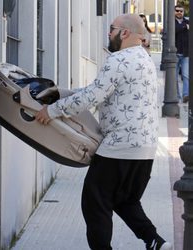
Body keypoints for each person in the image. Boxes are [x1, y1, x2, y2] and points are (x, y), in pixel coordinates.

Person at [36, 14, 172, 250]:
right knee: (125, 200)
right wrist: (64, 93)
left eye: (112, 29)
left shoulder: (118, 60)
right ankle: (156, 242)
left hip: (119, 147)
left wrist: (52, 111)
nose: (108, 33)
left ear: (125, 33)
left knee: (94, 202)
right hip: (146, 148)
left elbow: (92, 97)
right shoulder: (145, 60)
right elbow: (99, 90)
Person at [175, 4, 189, 103]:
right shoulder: (171, 22)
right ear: (174, 11)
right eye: (177, 10)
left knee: (186, 75)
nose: (179, 12)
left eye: (181, 11)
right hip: (174, 54)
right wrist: (184, 27)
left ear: (183, 12)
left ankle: (186, 95)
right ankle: (176, 96)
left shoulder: (188, 21)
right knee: (174, 77)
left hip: (186, 53)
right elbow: (175, 29)